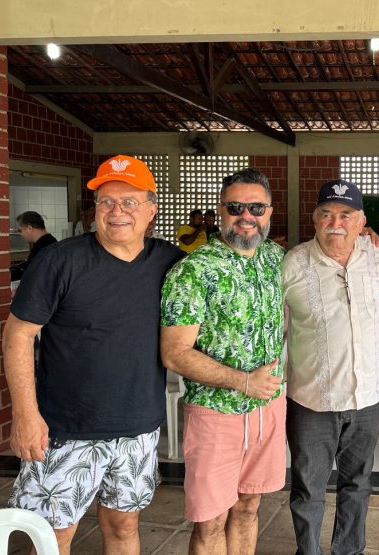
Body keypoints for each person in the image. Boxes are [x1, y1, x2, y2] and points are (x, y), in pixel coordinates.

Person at [3, 155, 183, 554]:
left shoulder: (170, 263)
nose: (117, 211)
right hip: (66, 428)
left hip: (138, 427)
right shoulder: (59, 260)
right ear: (95, 209)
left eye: (129, 201)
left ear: (151, 209)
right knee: (52, 536)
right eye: (106, 202)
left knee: (124, 526)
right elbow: (18, 334)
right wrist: (25, 415)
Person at [160, 168, 286, 555]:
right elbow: (174, 352)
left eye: (256, 208)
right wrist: (243, 381)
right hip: (216, 413)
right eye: (235, 207)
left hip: (268, 408)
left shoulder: (276, 258)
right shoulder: (193, 270)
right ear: (220, 209)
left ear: (269, 211)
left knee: (249, 507)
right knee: (211, 522)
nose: (246, 216)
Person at [282, 178, 379, 555]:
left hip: (366, 400)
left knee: (357, 485)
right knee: (308, 489)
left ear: (361, 222)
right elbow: (274, 327)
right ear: (314, 219)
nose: (336, 223)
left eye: (346, 215)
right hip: (312, 402)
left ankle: (349, 550)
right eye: (326, 214)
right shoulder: (293, 265)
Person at [11, 211, 57, 280]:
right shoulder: (47, 242)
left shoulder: (45, 247)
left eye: (20, 230)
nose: (20, 234)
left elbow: (32, 272)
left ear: (30, 228)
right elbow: (29, 265)